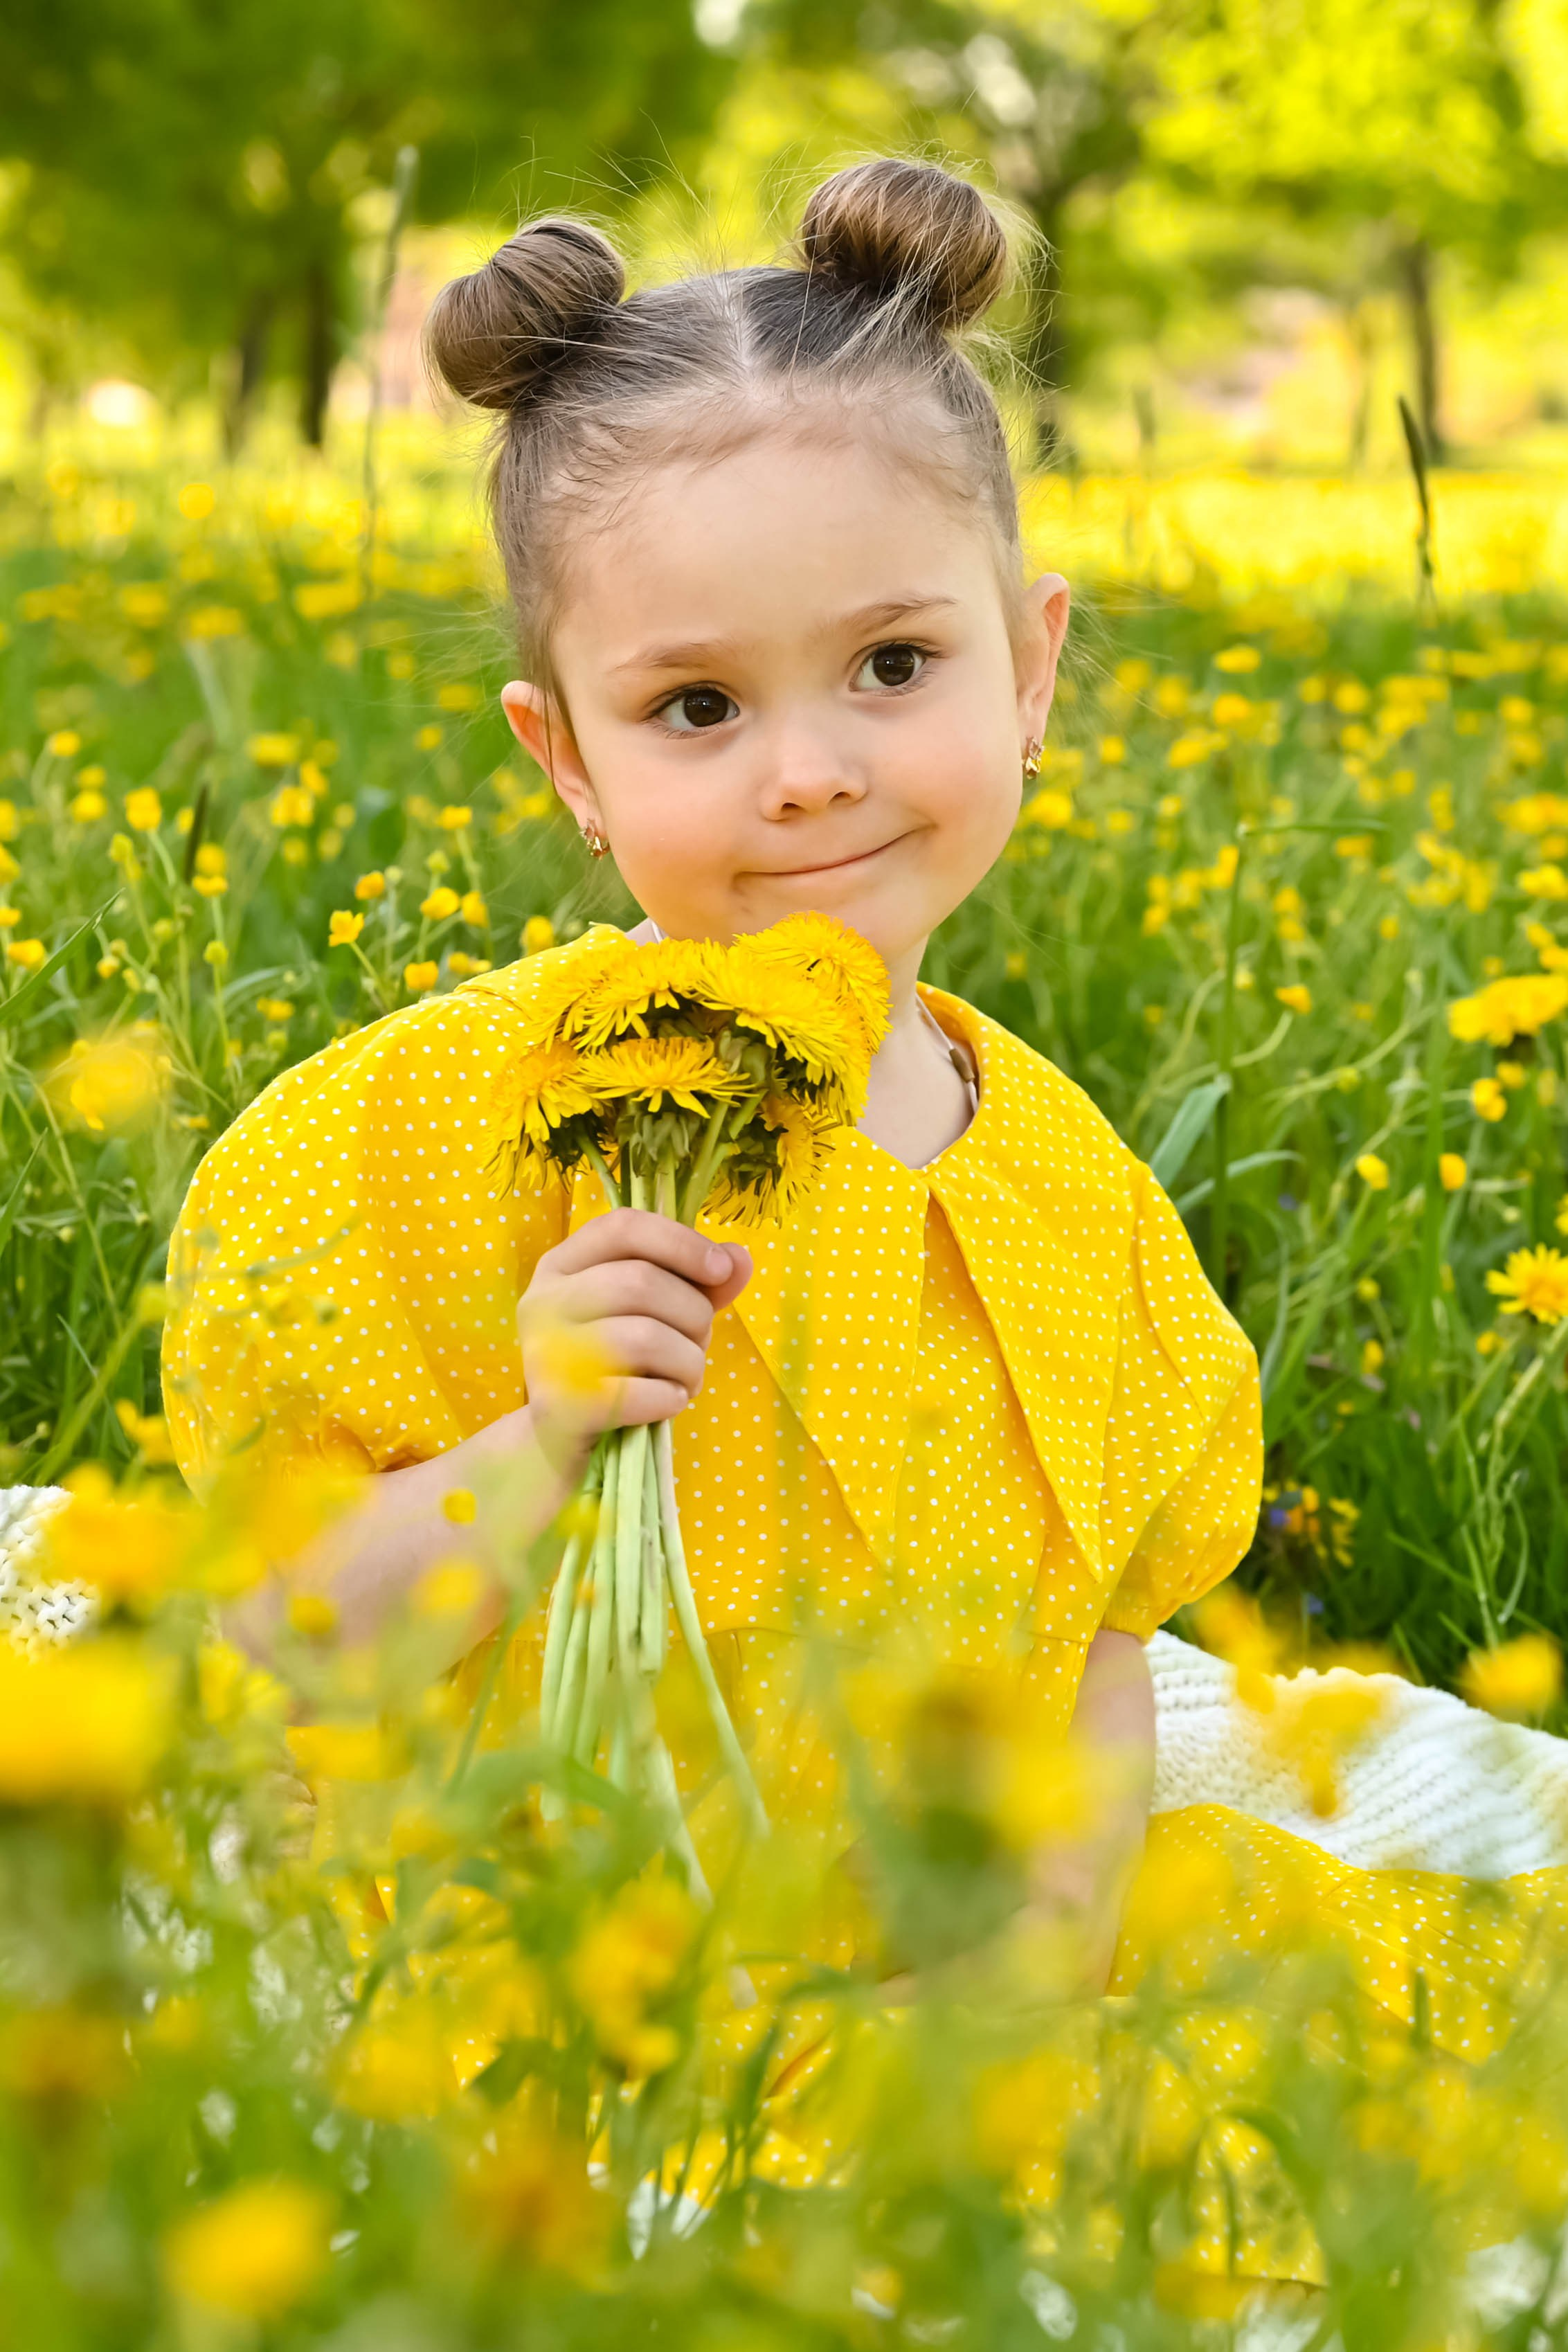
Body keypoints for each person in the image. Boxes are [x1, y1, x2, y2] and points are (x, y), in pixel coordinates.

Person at [161, 161, 1562, 2121]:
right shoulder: (424, 1143)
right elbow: (278, 1644)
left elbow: (1096, 1647)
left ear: (1031, 667)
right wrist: (538, 1439)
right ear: (566, 759)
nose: (811, 772)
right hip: (550, 1954)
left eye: (893, 666)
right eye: (696, 705)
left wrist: (1029, 1968)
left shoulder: (1061, 1184)